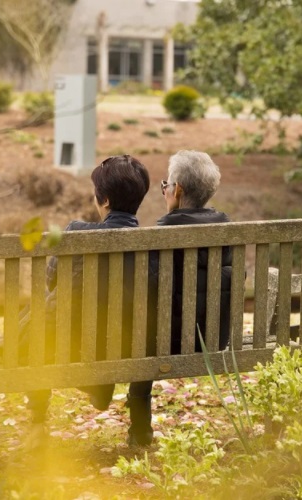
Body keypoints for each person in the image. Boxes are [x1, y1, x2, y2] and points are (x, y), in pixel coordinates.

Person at [23, 154, 151, 426]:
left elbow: (51, 282)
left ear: (104, 200)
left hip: (71, 345)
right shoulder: (154, 244)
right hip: (131, 347)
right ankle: (108, 394)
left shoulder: (77, 233)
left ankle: (37, 420)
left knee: (40, 317)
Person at [131, 150, 234, 446]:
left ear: (177, 190)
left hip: (166, 343)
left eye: (166, 185)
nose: (164, 190)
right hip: (215, 338)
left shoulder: (158, 235)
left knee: (142, 341)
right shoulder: (228, 229)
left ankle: (140, 433)